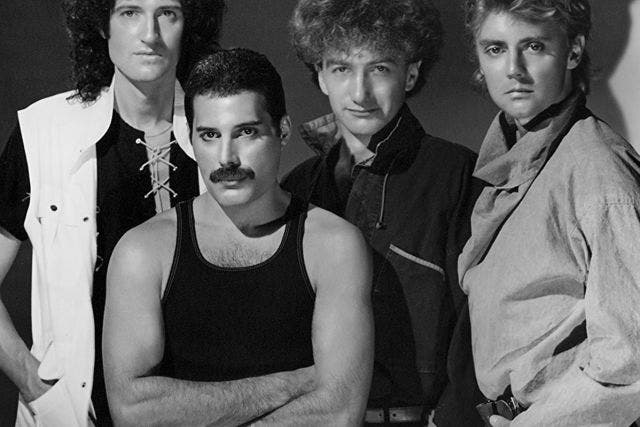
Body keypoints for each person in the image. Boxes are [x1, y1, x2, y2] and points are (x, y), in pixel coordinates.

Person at [102, 48, 373, 426]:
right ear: (190, 138)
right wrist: (294, 383)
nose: (227, 158)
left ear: (283, 131)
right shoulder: (144, 251)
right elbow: (133, 412)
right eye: (210, 135)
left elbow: (338, 413)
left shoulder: (333, 245)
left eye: (246, 132)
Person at [0, 0, 225, 425]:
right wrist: (34, 383)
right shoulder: (45, 131)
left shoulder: (221, 129)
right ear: (101, 25)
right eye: (130, 13)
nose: (150, 34)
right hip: (79, 412)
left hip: (199, 405)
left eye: (167, 13)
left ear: (189, 23)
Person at [284, 1, 485, 425]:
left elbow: (479, 326)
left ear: (410, 74)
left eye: (379, 69)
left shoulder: (457, 176)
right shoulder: (296, 189)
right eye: (341, 68)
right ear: (320, 74)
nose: (359, 93)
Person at [458, 0, 640, 425]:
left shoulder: (598, 167)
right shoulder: (509, 162)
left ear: (573, 51)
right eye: (495, 49)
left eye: (534, 46)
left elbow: (632, 358)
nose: (514, 70)